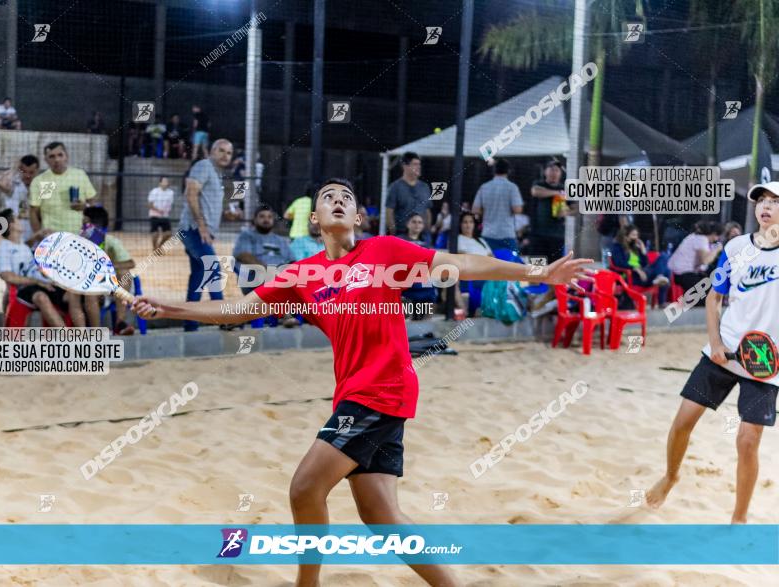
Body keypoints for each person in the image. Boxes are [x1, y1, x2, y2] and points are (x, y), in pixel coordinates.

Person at [130, 178, 589, 587]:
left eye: (345, 198)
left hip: (383, 390)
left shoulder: (385, 252)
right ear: (314, 218)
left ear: (357, 216)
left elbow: (461, 263)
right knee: (382, 518)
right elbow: (237, 309)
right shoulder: (301, 275)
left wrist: (539, 272)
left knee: (304, 489)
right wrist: (171, 308)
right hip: (356, 394)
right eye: (327, 197)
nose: (337, 202)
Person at [646, 182, 779, 524]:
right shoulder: (735, 248)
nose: (765, 206)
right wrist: (716, 343)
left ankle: (739, 518)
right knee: (681, 423)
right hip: (723, 352)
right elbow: (713, 298)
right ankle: (671, 476)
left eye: (775, 201)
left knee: (747, 443)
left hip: (765, 364)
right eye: (761, 200)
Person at [179, 138, 233, 330]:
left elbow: (205, 201)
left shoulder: (216, 175)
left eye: (229, 153)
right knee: (213, 269)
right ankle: (224, 319)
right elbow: (190, 193)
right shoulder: (203, 165)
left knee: (199, 275)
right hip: (193, 230)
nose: (225, 155)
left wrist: (226, 215)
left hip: (200, 231)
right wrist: (201, 226)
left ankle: (190, 324)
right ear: (212, 151)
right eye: (221, 151)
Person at [0, 208, 68, 327]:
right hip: (27, 289)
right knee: (41, 298)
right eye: (17, 219)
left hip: (45, 283)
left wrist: (37, 235)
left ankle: (86, 333)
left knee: (72, 296)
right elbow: (6, 275)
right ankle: (68, 338)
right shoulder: (3, 249)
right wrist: (37, 281)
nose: (21, 221)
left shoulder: (22, 245)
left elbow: (22, 248)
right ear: (11, 225)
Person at [72, 206, 136, 335]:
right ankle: (96, 333)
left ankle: (120, 323)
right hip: (89, 287)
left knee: (125, 274)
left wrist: (106, 265)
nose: (82, 225)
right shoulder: (78, 241)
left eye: (84, 222)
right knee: (91, 292)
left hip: (111, 286)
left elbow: (130, 263)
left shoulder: (110, 241)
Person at [29, 142, 98, 234]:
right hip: (52, 237)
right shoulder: (41, 181)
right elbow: (33, 212)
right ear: (45, 160)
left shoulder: (79, 175)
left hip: (79, 235)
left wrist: (85, 206)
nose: (57, 159)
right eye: (52, 156)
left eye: (60, 155)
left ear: (67, 156)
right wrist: (38, 235)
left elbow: (92, 201)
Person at [472, 158, 524, 252]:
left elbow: (475, 209)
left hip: (488, 233)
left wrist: (488, 210)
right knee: (510, 265)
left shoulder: (484, 187)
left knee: (488, 265)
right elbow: (517, 210)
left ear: (494, 170)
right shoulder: (512, 187)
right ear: (508, 171)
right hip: (507, 234)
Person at [667, 220, 723, 295]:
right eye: (717, 236)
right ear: (714, 234)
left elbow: (702, 264)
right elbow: (705, 260)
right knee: (710, 292)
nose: (717, 239)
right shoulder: (701, 239)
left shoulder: (696, 237)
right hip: (682, 274)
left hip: (682, 273)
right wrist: (716, 250)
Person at [0, 154, 40, 246]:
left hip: (35, 234)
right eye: (24, 171)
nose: (27, 175)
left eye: (31, 172)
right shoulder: (13, 185)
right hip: (15, 234)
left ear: (37, 171)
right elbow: (0, 183)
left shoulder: (42, 186)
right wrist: (15, 168)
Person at [386, 151, 432, 237]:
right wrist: (394, 233)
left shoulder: (425, 187)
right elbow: (389, 212)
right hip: (401, 234)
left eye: (419, 164)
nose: (419, 167)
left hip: (422, 235)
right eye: (415, 164)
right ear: (405, 166)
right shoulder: (395, 187)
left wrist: (427, 230)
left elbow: (427, 210)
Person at [530, 160, 568, 262]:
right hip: (538, 235)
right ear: (545, 172)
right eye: (551, 169)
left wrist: (566, 211)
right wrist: (557, 193)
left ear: (560, 173)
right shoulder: (539, 184)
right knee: (536, 271)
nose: (554, 172)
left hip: (557, 236)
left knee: (555, 270)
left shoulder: (564, 188)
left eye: (557, 170)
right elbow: (535, 192)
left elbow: (574, 208)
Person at [148, 176, 175, 251]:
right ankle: (154, 247)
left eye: (167, 181)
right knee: (155, 234)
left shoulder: (170, 193)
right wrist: (158, 210)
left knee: (168, 234)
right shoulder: (154, 191)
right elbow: (150, 204)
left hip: (165, 216)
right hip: (155, 215)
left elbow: (170, 204)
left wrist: (167, 210)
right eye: (164, 181)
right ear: (160, 183)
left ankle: (159, 246)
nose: (166, 183)